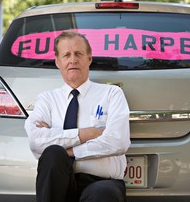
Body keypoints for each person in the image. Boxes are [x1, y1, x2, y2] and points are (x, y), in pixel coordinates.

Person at [24, 31, 131, 202]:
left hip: (102, 182)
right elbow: (36, 140)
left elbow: (118, 141)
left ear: (89, 58)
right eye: (66, 55)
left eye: (78, 54)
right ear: (58, 62)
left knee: (101, 194)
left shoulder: (112, 94)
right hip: (57, 183)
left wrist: (69, 150)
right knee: (53, 154)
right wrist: (87, 134)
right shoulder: (47, 99)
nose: (73, 60)